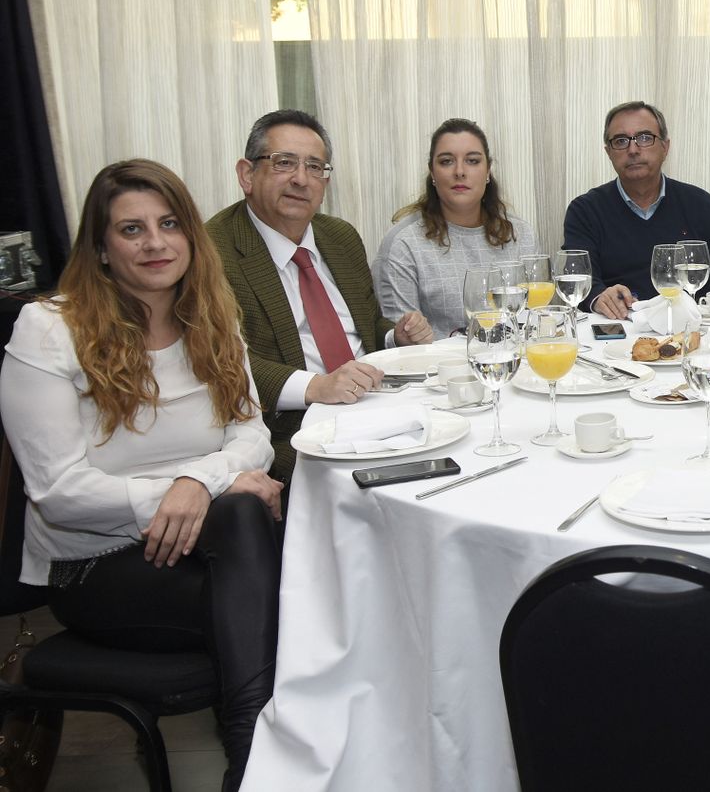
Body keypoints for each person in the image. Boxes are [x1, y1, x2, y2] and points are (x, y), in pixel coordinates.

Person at [1, 159, 286, 792]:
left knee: (260, 531)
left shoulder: (211, 317)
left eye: (168, 224)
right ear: (100, 247)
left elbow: (251, 436)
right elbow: (57, 492)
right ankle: (257, 759)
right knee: (288, 585)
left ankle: (255, 766)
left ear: (190, 235)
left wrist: (197, 484)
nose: (155, 243)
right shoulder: (50, 329)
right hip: (98, 566)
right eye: (131, 230)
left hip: (211, 550)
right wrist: (191, 489)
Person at [207, 109, 431, 479]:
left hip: (380, 403)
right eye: (284, 163)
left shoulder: (339, 236)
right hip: (293, 428)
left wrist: (395, 336)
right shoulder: (212, 251)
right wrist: (318, 386)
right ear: (247, 174)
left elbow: (365, 326)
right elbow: (223, 360)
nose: (301, 179)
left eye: (315, 167)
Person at [565, 100, 710, 319]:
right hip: (621, 335)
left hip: (695, 334)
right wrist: (599, 298)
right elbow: (577, 281)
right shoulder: (585, 210)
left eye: (645, 138)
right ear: (608, 152)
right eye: (620, 141)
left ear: (665, 147)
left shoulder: (699, 204)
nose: (633, 149)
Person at [375, 118, 537, 338]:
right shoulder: (403, 244)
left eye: (472, 161)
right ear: (432, 172)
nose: (460, 171)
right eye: (446, 161)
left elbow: (535, 319)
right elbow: (399, 341)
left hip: (514, 364)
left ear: (488, 170)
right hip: (435, 369)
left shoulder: (520, 234)